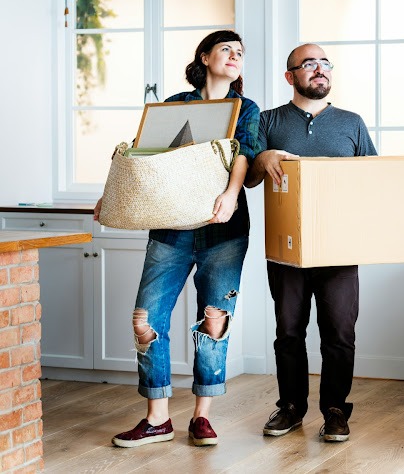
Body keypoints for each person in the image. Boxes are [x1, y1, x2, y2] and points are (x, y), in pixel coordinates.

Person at [94, 30, 260, 448]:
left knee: (214, 322)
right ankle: (158, 418)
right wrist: (108, 196)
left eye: (240, 52)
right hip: (170, 230)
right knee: (146, 320)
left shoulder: (247, 107)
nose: (235, 56)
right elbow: (144, 156)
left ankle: (202, 417)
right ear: (204, 56)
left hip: (223, 229)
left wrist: (230, 194)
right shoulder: (174, 105)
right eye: (226, 49)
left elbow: (245, 154)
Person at [245, 43, 376, 442]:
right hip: (287, 251)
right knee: (289, 331)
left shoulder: (351, 123)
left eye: (325, 64)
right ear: (291, 76)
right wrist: (262, 157)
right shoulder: (267, 120)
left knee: (339, 333)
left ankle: (336, 411)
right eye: (309, 64)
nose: (319, 70)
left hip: (339, 247)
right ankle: (290, 408)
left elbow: (373, 180)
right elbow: (247, 177)